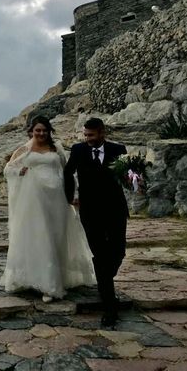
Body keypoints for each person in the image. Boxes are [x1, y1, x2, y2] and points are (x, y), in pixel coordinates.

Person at [1, 116, 95, 302]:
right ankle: (48, 285)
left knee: (56, 236)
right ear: (31, 131)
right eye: (38, 130)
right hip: (35, 201)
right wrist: (20, 172)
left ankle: (57, 277)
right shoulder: (25, 149)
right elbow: (8, 169)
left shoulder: (56, 149)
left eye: (44, 130)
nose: (41, 133)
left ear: (49, 131)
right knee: (41, 238)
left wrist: (73, 195)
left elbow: (67, 173)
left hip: (57, 200)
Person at [64, 117, 128, 327]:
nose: (87, 138)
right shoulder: (78, 150)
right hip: (90, 212)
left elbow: (127, 177)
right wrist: (70, 196)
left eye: (91, 135)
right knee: (100, 254)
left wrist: (136, 179)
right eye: (85, 135)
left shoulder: (119, 150)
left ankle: (103, 280)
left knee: (118, 251)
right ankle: (110, 306)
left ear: (102, 133)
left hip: (116, 210)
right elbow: (67, 172)